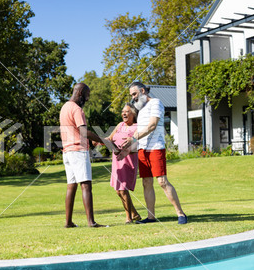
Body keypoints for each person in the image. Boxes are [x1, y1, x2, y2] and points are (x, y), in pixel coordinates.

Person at [122, 81, 187, 224]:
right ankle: (151, 217)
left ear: (143, 91)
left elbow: (152, 125)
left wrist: (133, 138)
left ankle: (180, 214)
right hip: (142, 149)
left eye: (135, 94)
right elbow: (140, 129)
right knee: (146, 182)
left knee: (162, 181)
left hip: (156, 147)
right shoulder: (141, 109)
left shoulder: (156, 103)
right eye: (131, 95)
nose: (133, 98)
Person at [60, 83, 116, 228]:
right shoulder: (77, 110)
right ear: (80, 93)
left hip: (67, 151)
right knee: (86, 186)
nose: (87, 99)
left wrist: (93, 140)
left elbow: (76, 131)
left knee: (71, 186)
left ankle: (68, 222)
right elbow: (84, 133)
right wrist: (103, 141)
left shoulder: (65, 107)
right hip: (78, 151)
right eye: (86, 95)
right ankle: (91, 222)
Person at [104, 103, 142, 224]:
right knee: (118, 190)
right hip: (117, 160)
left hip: (128, 159)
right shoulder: (120, 125)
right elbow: (109, 138)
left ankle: (128, 218)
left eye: (127, 112)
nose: (123, 114)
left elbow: (137, 144)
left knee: (123, 189)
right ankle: (134, 213)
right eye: (122, 111)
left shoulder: (137, 127)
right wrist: (98, 140)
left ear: (133, 114)